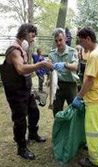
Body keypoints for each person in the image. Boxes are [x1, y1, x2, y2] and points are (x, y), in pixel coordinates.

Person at [0, 23, 53, 160]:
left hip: (25, 88)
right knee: (20, 120)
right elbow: (21, 69)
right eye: (32, 35)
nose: (33, 39)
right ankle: (21, 147)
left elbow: (25, 70)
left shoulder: (22, 48)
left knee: (34, 111)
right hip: (16, 92)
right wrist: (40, 64)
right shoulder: (14, 50)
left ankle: (33, 134)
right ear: (25, 32)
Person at [72, 28, 98, 167]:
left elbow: (89, 81)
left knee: (92, 130)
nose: (81, 45)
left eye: (82, 42)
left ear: (88, 39)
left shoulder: (94, 55)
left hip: (95, 98)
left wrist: (79, 96)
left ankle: (94, 160)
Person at [49, 28, 79, 117]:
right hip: (57, 85)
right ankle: (59, 129)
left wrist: (65, 65)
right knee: (57, 111)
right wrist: (48, 65)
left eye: (60, 40)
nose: (58, 43)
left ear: (65, 39)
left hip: (71, 85)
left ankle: (73, 130)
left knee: (73, 111)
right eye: (56, 41)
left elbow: (76, 66)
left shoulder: (72, 51)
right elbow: (50, 68)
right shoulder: (52, 54)